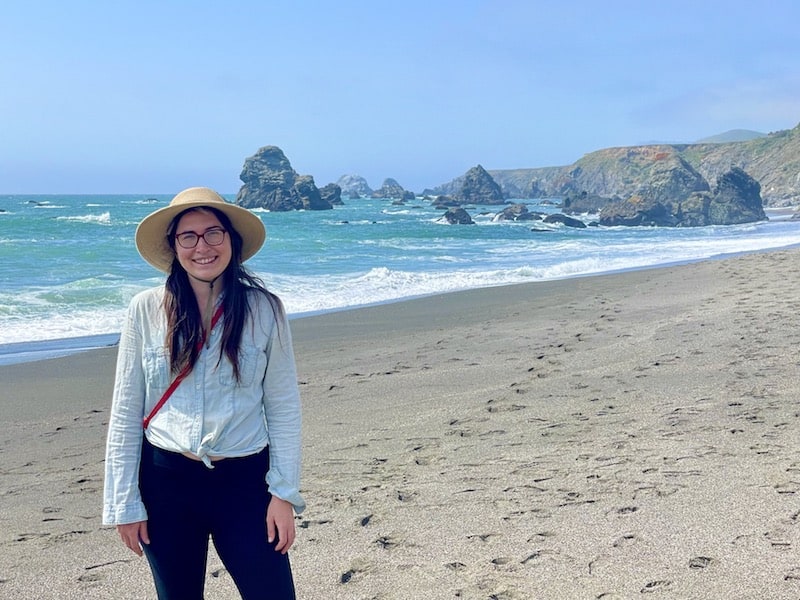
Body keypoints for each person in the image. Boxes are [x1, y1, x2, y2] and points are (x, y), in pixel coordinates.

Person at [103, 187, 304, 599]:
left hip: (247, 482)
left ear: (231, 239)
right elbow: (125, 411)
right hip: (166, 484)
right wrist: (124, 503)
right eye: (188, 236)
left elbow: (283, 408)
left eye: (214, 233)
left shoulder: (265, 309)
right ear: (174, 246)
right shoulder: (145, 308)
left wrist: (283, 494)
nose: (203, 247)